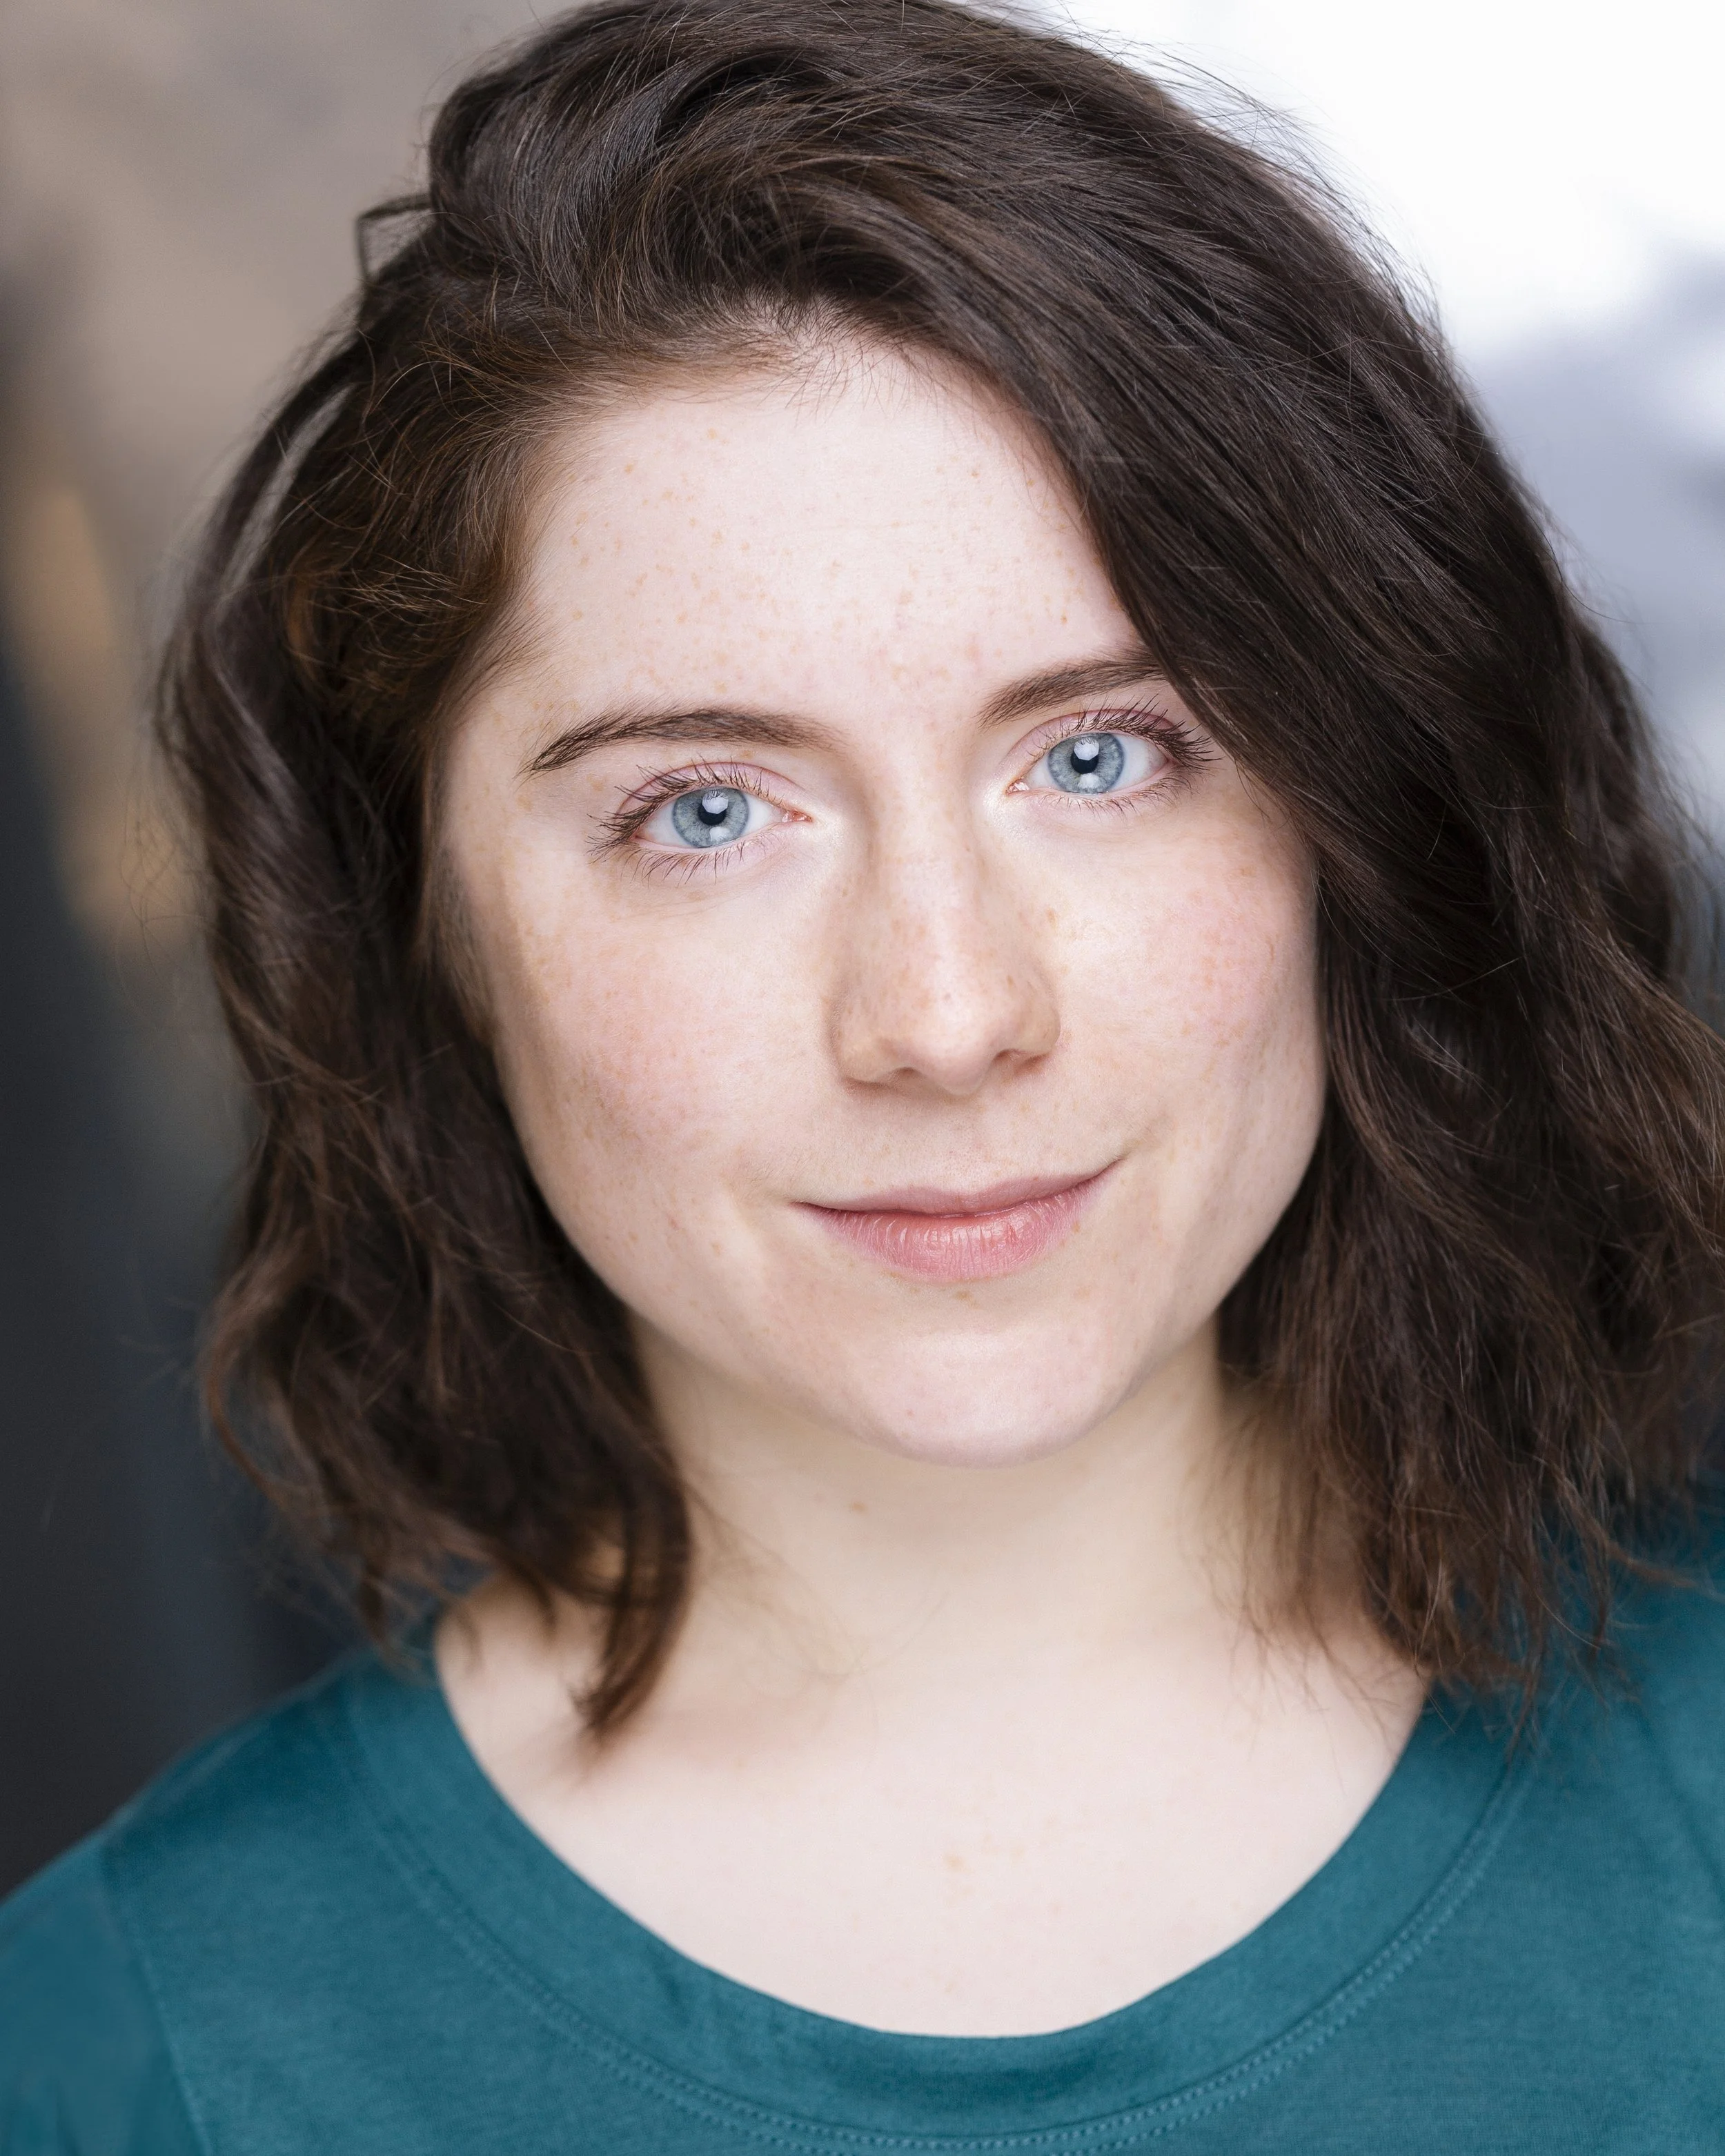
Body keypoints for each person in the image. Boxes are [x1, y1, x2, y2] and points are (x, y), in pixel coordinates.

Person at [6, 0, 1725, 2145]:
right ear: (421, 908)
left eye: (1101, 757)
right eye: (707, 809)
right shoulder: (128, 2052)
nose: (941, 1010)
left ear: (1354, 816)